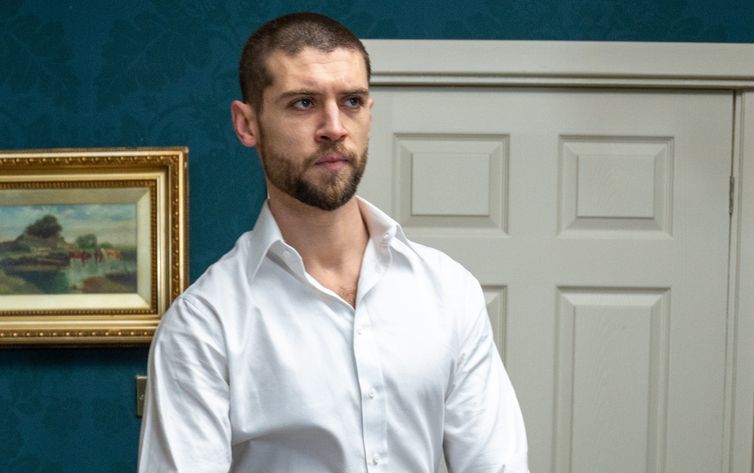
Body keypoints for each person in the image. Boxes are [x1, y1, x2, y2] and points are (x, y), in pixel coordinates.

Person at [138, 12, 529, 473]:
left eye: (351, 101)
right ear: (247, 125)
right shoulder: (204, 325)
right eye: (303, 103)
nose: (334, 127)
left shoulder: (448, 291)